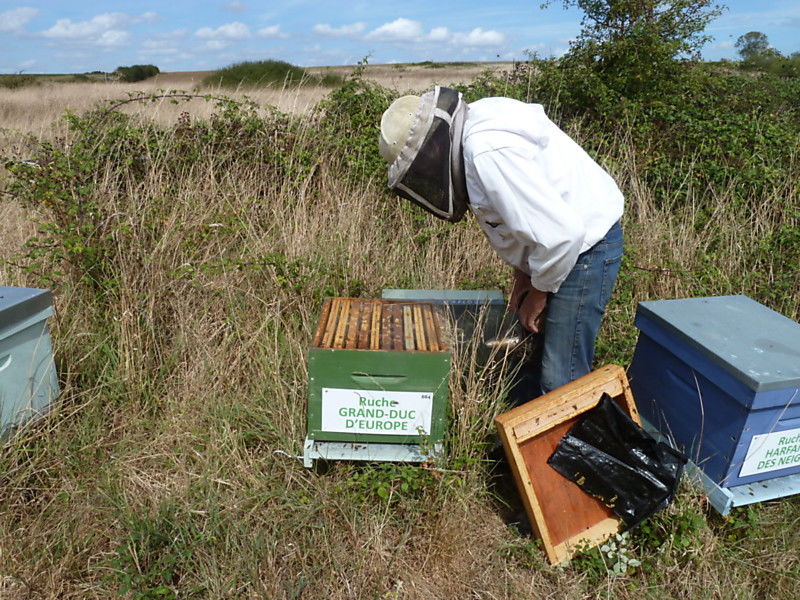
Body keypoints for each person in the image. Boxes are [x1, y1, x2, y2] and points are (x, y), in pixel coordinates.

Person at [378, 87, 624, 397]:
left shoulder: (487, 152)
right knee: (533, 359)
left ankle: (574, 428)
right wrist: (525, 274)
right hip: (560, 250)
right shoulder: (478, 129)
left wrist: (539, 292)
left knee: (562, 379)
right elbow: (526, 220)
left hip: (583, 250)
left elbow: (562, 236)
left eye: (421, 164)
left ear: (432, 146)